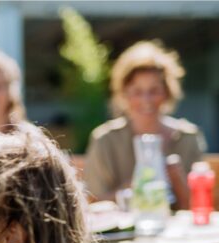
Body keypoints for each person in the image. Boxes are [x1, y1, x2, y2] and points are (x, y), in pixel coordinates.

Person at [85, 40, 206, 207]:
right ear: (125, 94)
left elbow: (198, 206)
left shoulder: (188, 137)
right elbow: (92, 201)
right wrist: (131, 189)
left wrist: (176, 178)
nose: (146, 100)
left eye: (154, 91)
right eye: (137, 91)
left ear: (167, 92)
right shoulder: (105, 139)